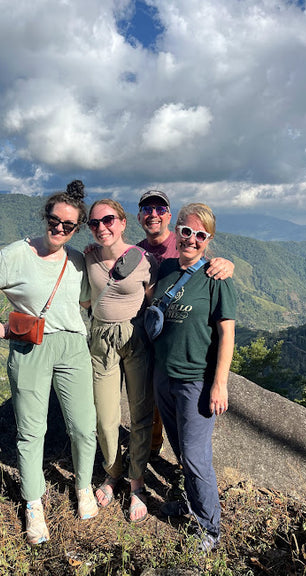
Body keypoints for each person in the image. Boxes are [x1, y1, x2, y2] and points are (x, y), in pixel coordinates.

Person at [0, 180, 98, 545]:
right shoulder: (18, 253)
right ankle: (33, 503)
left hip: (72, 346)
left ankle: (83, 487)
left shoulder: (77, 260)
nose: (59, 228)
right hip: (30, 347)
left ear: (76, 228)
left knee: (84, 426)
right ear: (46, 217)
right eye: (54, 220)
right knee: (30, 430)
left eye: (68, 225)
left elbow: (85, 301)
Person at [151, 202, 236, 553]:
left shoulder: (217, 278)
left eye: (200, 235)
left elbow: (227, 334)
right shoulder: (166, 268)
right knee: (181, 450)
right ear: (177, 232)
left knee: (196, 456)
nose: (192, 239)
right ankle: (191, 504)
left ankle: (209, 528)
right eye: (186, 231)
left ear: (208, 239)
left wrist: (220, 384)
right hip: (163, 377)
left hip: (195, 381)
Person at [136, 190, 235, 456]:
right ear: (138, 216)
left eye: (159, 209)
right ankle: (152, 458)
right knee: (150, 409)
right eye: (147, 209)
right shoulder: (137, 252)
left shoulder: (183, 245)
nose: (153, 214)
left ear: (170, 217)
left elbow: (203, 264)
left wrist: (226, 264)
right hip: (154, 351)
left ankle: (187, 475)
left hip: (188, 366)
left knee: (190, 444)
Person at [85, 199, 157, 523]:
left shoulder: (144, 260)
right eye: (95, 223)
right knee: (105, 416)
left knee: (141, 415)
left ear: (123, 222)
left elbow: (155, 302)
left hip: (135, 337)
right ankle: (113, 472)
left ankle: (137, 481)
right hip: (101, 340)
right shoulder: (86, 257)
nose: (102, 227)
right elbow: (84, 297)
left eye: (108, 220)